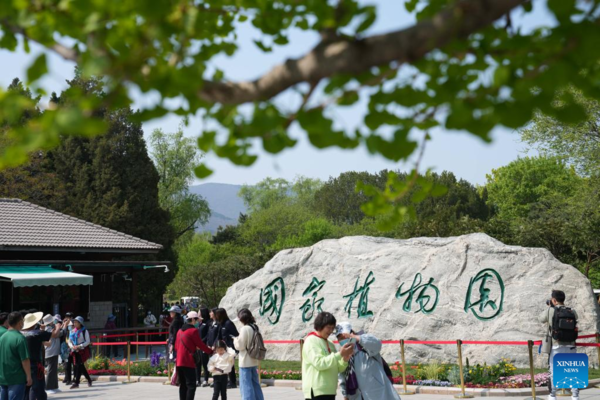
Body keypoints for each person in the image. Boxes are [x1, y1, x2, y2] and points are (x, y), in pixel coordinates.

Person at [335, 322, 400, 400]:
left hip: (377, 394)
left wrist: (356, 337)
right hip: (356, 396)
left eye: (344, 336)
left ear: (351, 333)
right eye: (339, 338)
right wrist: (345, 395)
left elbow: (377, 344)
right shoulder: (342, 354)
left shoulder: (364, 345)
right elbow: (342, 376)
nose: (342, 340)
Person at [302, 312, 353, 400]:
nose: (330, 331)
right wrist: (340, 354)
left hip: (330, 391)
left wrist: (344, 360)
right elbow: (319, 364)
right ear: (320, 325)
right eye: (328, 327)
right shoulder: (311, 341)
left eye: (332, 328)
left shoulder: (330, 344)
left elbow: (337, 368)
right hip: (317, 391)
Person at [539, 290, 580, 400]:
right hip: (571, 345)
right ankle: (575, 396)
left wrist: (549, 307)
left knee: (554, 371)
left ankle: (553, 395)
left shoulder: (550, 311)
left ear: (554, 300)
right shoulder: (572, 311)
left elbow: (540, 319)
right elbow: (576, 319)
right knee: (573, 370)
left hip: (557, 345)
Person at [174, 311, 213, 400]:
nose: (197, 322)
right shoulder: (193, 330)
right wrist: (210, 351)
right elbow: (200, 344)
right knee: (191, 385)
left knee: (183, 385)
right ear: (192, 320)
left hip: (179, 361)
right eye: (196, 320)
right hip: (188, 360)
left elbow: (176, 347)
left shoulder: (179, 331)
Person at [22, 312, 61, 400]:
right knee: (37, 388)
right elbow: (54, 334)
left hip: (22, 364)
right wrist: (58, 327)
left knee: (26, 389)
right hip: (35, 364)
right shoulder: (38, 333)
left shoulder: (20, 334)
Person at [233, 309, 265, 400]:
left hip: (245, 360)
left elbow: (240, 346)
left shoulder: (244, 328)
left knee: (246, 386)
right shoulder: (255, 327)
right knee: (255, 384)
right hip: (254, 359)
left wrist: (235, 340)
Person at [0, 312, 32, 400]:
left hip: (3, 378)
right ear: (19, 322)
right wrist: (28, 376)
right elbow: (25, 359)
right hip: (17, 379)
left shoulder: (2, 337)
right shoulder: (20, 338)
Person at [214, 308, 239, 389]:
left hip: (230, 347)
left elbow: (236, 334)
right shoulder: (221, 324)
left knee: (230, 364)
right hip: (224, 348)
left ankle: (233, 382)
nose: (216, 316)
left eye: (217, 314)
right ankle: (227, 381)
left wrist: (229, 338)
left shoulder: (228, 323)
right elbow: (219, 335)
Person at [42, 314, 65, 395]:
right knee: (50, 370)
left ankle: (54, 386)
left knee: (54, 370)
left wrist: (61, 327)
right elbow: (55, 334)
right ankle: (48, 387)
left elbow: (59, 334)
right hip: (50, 352)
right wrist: (58, 327)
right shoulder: (47, 328)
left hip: (54, 351)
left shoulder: (52, 328)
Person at [68, 316, 92, 389]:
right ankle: (89, 379)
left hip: (82, 350)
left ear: (80, 323)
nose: (74, 324)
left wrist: (80, 346)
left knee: (79, 365)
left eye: (76, 322)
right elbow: (69, 341)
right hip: (75, 350)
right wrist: (72, 346)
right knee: (80, 366)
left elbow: (88, 341)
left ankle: (76, 383)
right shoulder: (72, 331)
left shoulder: (85, 331)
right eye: (74, 322)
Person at [196, 307, 212, 387]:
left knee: (205, 364)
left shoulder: (208, 323)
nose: (198, 314)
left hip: (204, 346)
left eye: (199, 313)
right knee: (198, 363)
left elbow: (207, 335)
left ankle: (206, 380)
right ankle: (198, 379)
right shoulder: (200, 323)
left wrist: (201, 342)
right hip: (198, 346)